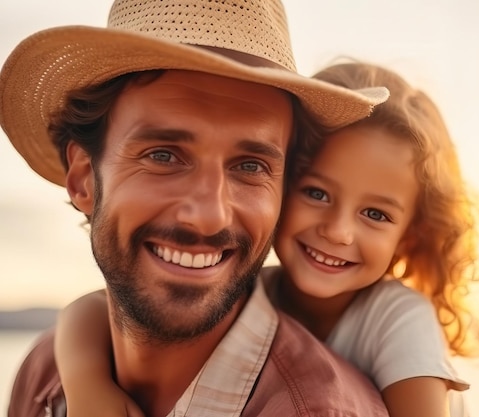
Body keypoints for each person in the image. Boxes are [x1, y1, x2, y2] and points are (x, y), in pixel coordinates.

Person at [1, 1, 392, 416]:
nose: (210, 215)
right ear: (83, 179)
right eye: (164, 156)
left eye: (250, 166)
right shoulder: (45, 372)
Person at [53, 61, 479, 417]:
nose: (338, 231)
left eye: (375, 214)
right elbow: (91, 306)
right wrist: (85, 383)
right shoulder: (256, 286)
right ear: (280, 191)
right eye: (316, 193)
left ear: (410, 236)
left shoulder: (399, 320)